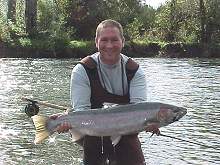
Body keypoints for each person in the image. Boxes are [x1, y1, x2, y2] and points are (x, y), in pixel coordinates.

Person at [55, 19, 158, 165]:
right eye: (104, 40)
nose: (109, 45)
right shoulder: (82, 70)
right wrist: (66, 122)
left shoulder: (135, 71)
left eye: (114, 40)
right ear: (96, 42)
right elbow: (81, 110)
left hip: (126, 135)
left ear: (122, 41)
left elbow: (139, 109)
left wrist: (148, 122)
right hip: (91, 133)